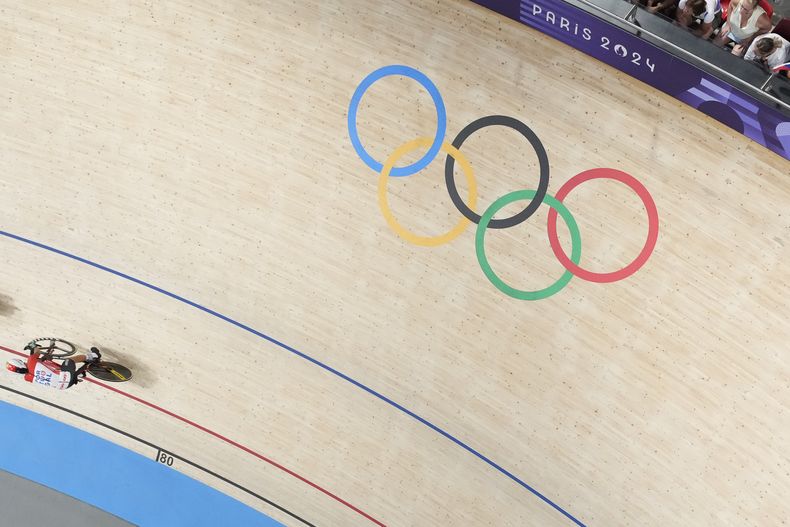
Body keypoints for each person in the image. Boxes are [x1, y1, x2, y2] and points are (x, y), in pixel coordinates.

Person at [6, 345, 102, 390]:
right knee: (68, 361)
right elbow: (37, 351)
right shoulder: (31, 361)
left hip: (65, 386)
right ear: (20, 363)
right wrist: (33, 346)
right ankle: (94, 355)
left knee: (54, 370)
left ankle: (79, 374)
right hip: (65, 378)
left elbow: (44, 370)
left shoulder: (27, 378)